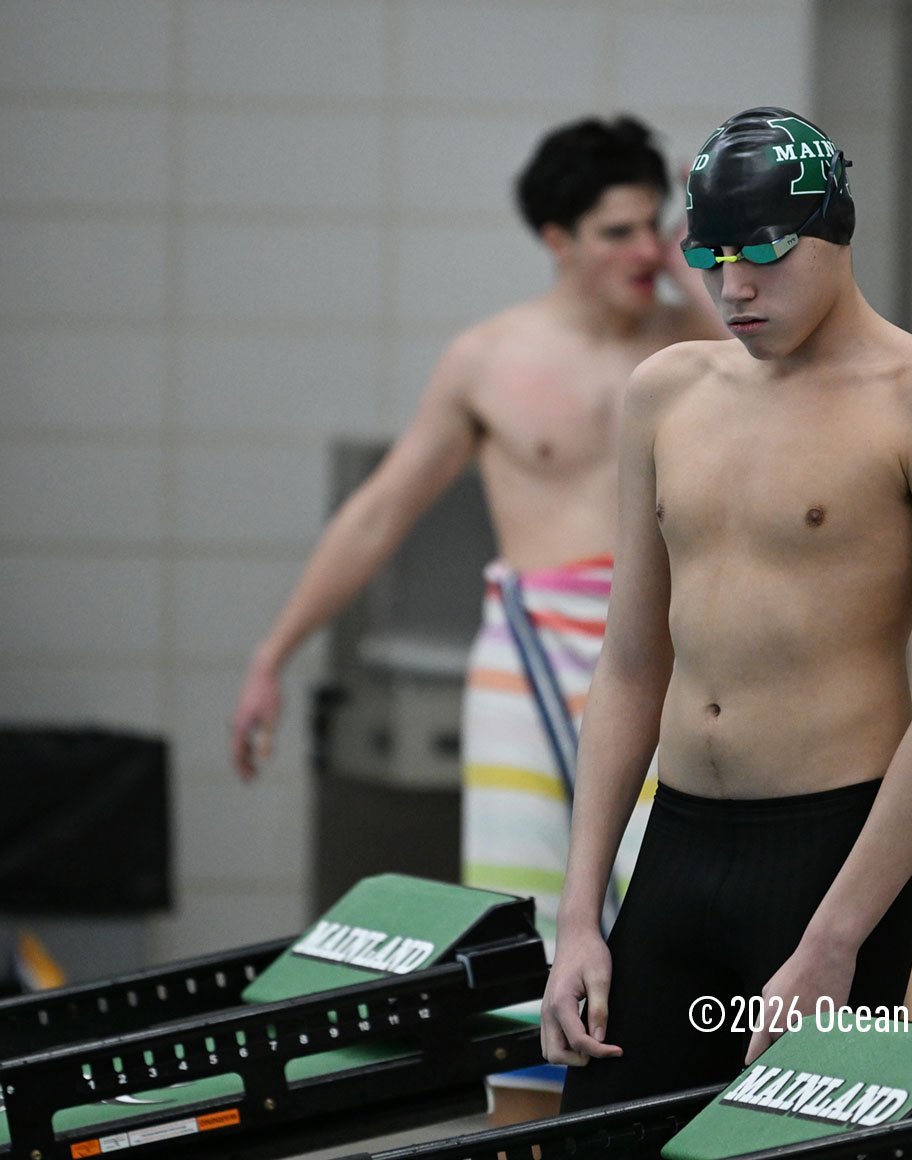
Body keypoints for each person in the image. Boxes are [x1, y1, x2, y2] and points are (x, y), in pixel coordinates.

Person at [229, 114, 722, 1122]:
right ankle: (524, 1132)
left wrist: (697, 276)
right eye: (617, 233)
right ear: (556, 239)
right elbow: (379, 513)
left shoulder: (695, 344)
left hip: (664, 645)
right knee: (524, 926)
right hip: (529, 652)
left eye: (654, 226)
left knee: (674, 907)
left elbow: (788, 399)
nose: (643, 251)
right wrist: (272, 653)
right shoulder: (489, 358)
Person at [539, 106, 912, 1110]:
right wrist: (578, 914)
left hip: (832, 856)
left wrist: (836, 937)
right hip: (675, 845)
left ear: (833, 231)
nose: (734, 288)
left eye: (762, 251)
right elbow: (630, 664)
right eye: (709, 256)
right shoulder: (665, 392)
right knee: (606, 1134)